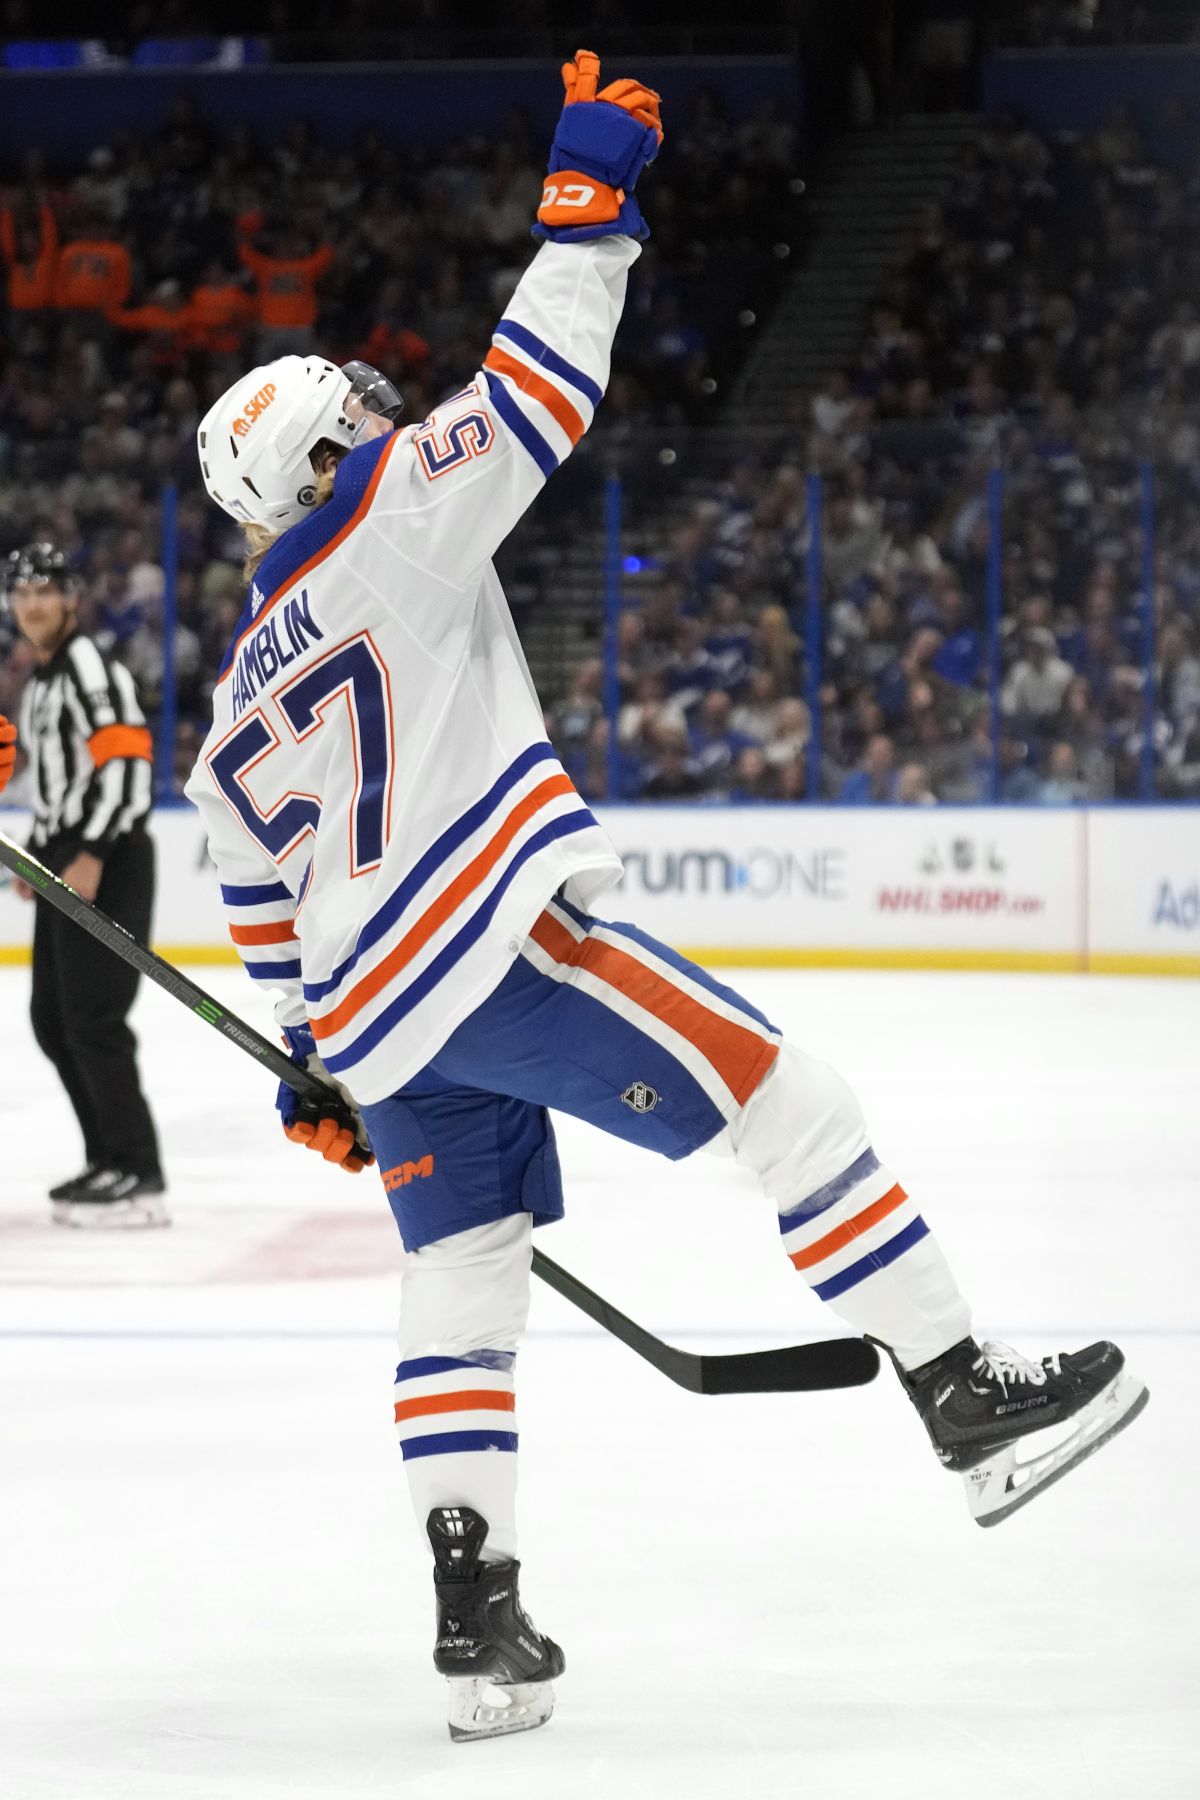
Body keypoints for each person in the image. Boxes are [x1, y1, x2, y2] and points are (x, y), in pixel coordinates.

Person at [184, 51, 1146, 1744]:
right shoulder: (389, 520)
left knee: (461, 1285)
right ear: (325, 451)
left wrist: (312, 1054)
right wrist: (586, 210)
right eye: (358, 409)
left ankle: (474, 1619)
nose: (385, 416)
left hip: (384, 1024)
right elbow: (536, 391)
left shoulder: (231, 704)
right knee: (795, 1102)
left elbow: (261, 899)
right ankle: (962, 1399)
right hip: (499, 947)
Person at [1, 544, 166, 1227]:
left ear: (70, 598)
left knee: (95, 1019)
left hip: (110, 855)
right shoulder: (41, 680)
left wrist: (92, 851)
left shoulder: (89, 667)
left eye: (45, 591)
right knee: (53, 1021)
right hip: (67, 855)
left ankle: (140, 1174)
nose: (32, 604)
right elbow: (60, 785)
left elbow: (127, 766)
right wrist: (42, 855)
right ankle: (107, 1158)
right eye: (22, 593)